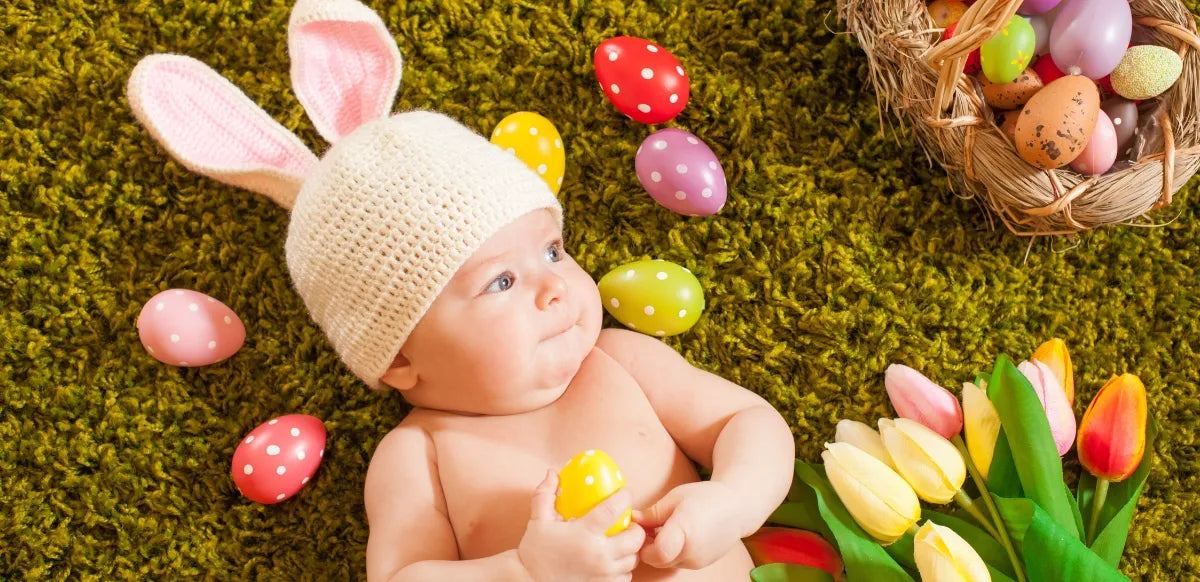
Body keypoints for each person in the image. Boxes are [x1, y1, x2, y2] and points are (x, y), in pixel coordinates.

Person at [126, 0, 795, 579]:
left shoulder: (621, 362)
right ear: (399, 358)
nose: (554, 287)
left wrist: (733, 500)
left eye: (552, 250)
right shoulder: (419, 456)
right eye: (501, 281)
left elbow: (750, 423)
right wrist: (524, 571)